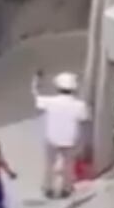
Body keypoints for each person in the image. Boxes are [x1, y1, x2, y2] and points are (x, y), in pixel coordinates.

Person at [32, 70, 89, 199]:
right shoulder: (79, 105)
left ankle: (48, 188)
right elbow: (84, 119)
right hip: (69, 139)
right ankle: (66, 189)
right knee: (68, 164)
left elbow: (36, 96)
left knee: (49, 164)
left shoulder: (50, 102)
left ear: (58, 87)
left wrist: (36, 81)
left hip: (52, 138)